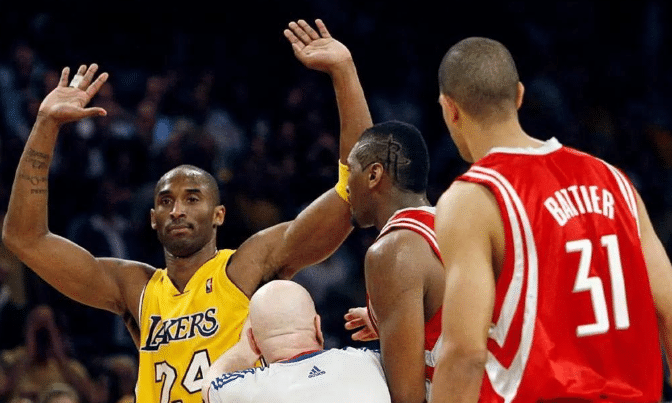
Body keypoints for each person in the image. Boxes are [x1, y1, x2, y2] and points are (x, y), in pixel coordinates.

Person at [1, 19, 372, 403]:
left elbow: (352, 194)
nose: (177, 210)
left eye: (193, 199)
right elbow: (24, 238)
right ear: (152, 218)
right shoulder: (136, 288)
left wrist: (344, 72)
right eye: (165, 201)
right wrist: (45, 124)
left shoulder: (245, 267)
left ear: (219, 214)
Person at [429, 36, 672, 402]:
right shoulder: (615, 181)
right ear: (519, 95)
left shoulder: (473, 198)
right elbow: (669, 312)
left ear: (450, 109)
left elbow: (465, 354)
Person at [342, 120, 445, 402]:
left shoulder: (393, 249)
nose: (346, 186)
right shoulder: (454, 223)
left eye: (350, 171)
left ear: (374, 174)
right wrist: (386, 320)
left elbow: (407, 397)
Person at [202, 279, 391, 403]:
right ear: (317, 326)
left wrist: (244, 349)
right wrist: (383, 328)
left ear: (253, 341)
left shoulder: (245, 390)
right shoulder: (372, 361)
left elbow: (210, 385)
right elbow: (407, 354)